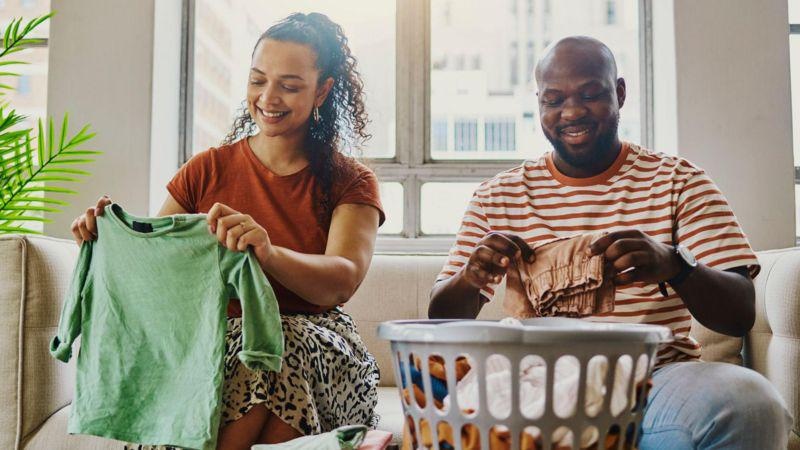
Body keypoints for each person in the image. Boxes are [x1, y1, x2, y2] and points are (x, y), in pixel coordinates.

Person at [429, 36, 792, 449]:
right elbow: (439, 318)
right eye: (553, 99)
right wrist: (471, 276)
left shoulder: (678, 182)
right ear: (539, 104)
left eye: (590, 94)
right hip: (531, 383)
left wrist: (677, 266)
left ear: (619, 93)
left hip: (652, 382)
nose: (572, 111)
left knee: (750, 404)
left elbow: (739, 312)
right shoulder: (498, 196)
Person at [70, 12, 384, 450]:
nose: (268, 97)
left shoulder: (349, 180)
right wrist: (106, 239)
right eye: (258, 80)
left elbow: (342, 278)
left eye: (289, 86)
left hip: (316, 349)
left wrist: (267, 252)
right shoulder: (205, 170)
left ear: (323, 91)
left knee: (274, 346)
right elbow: (161, 267)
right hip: (213, 342)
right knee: (237, 355)